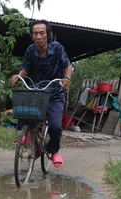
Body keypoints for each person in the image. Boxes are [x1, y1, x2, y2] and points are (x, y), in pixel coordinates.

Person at [11, 19, 72, 168]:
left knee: (56, 127)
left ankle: (53, 151)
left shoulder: (57, 48)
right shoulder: (31, 50)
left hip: (54, 93)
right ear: (32, 36)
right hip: (36, 91)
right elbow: (25, 68)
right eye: (35, 33)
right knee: (23, 111)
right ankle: (29, 136)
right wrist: (18, 76)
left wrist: (67, 78)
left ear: (47, 34)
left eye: (42, 33)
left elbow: (68, 66)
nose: (38, 36)